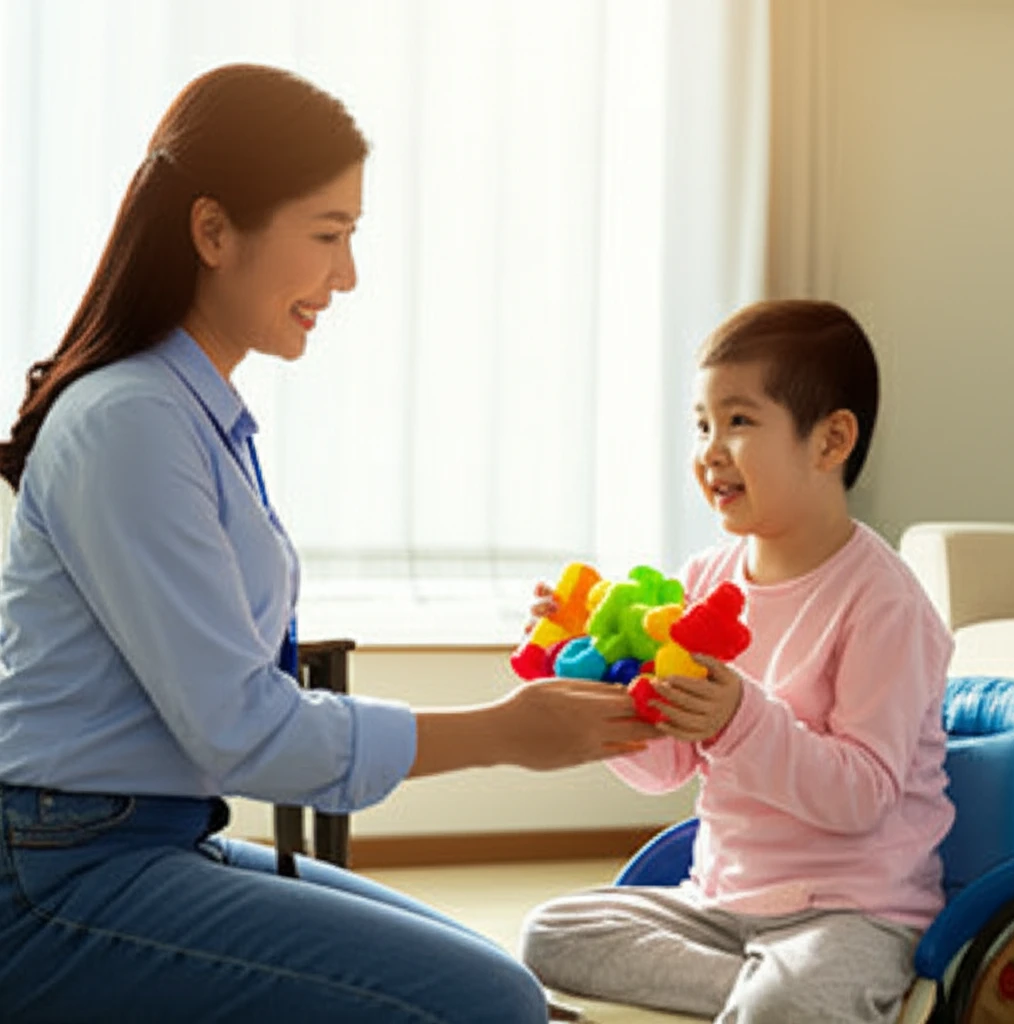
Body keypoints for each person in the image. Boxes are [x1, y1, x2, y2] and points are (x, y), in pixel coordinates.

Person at [0, 63, 659, 1023]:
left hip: (147, 843)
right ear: (214, 231)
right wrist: (506, 733)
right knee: (488, 1005)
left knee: (506, 990)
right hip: (63, 879)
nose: (345, 277)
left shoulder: (188, 414)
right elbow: (241, 730)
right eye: (328, 236)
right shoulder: (132, 420)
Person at [520, 300, 955, 1024]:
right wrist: (599, 686)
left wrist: (741, 717)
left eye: (740, 421)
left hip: (852, 913)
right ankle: (774, 998)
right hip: (719, 904)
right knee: (551, 934)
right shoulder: (702, 581)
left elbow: (862, 798)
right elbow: (667, 769)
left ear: (830, 441)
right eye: (702, 424)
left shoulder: (885, 603)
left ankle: (797, 996)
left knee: (791, 995)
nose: (710, 449)